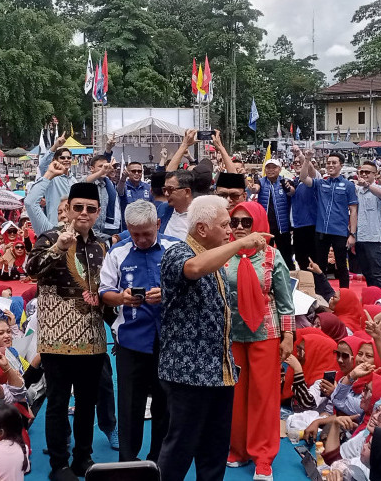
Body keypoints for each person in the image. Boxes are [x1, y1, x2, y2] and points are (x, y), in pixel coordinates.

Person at [157, 195, 272, 481]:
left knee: (214, 452)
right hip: (189, 375)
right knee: (179, 450)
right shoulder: (177, 252)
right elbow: (193, 269)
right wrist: (241, 245)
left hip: (220, 372)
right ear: (202, 229)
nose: (231, 231)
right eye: (225, 225)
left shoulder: (217, 257)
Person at [26, 182, 108, 481]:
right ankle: (59, 463)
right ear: (69, 208)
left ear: (98, 212)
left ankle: (83, 457)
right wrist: (59, 248)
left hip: (93, 337)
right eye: (78, 208)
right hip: (56, 336)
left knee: (88, 402)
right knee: (58, 403)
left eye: (90, 209)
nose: (83, 214)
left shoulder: (103, 244)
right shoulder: (49, 237)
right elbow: (31, 269)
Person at [99, 200, 178, 463]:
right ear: (127, 229)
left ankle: (159, 461)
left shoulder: (175, 248)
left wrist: (166, 295)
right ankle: (128, 462)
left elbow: (191, 288)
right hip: (131, 340)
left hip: (169, 341)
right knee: (130, 406)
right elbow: (104, 292)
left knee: (164, 404)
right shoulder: (117, 252)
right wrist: (121, 298)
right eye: (135, 234)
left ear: (157, 224)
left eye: (147, 233)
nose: (142, 239)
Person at [224, 201, 294, 480]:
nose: (239, 227)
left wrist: (288, 335)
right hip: (231, 335)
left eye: (246, 222)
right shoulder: (223, 254)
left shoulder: (272, 256)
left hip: (266, 334)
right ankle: (238, 449)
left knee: (264, 397)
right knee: (235, 395)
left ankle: (263, 457)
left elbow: (285, 303)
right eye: (235, 222)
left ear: (259, 224)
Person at [300, 151, 358, 288]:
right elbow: (303, 178)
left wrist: (353, 234)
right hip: (321, 230)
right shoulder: (321, 183)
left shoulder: (348, 186)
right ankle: (322, 293)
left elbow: (354, 210)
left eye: (334, 163)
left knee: (341, 264)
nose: (330, 165)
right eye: (328, 163)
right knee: (320, 264)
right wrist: (307, 159)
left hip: (339, 231)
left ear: (341, 165)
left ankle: (345, 294)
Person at [251, 159, 294, 269]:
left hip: (282, 227)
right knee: (264, 256)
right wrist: (252, 187)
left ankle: (290, 278)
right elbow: (255, 189)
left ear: (279, 169)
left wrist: (288, 187)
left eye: (273, 167)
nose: (270, 170)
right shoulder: (261, 182)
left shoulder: (285, 182)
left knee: (286, 256)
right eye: (268, 167)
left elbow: (292, 192)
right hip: (265, 227)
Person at [354, 161, 381, 291]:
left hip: (373, 238)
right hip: (359, 237)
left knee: (377, 272)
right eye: (361, 171)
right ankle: (373, 296)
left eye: (367, 172)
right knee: (367, 272)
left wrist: (367, 185)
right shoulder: (357, 190)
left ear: (375, 174)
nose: (363, 174)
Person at [84, 155, 121, 235]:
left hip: (104, 227)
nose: (104, 169)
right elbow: (83, 182)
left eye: (106, 166)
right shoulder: (89, 183)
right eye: (101, 166)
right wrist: (102, 171)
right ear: (92, 169)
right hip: (90, 229)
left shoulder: (106, 184)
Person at [160, 170, 195, 240]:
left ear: (187, 192)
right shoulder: (163, 208)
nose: (166, 194)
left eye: (170, 190)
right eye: (164, 190)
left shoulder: (200, 215)